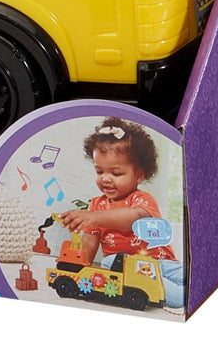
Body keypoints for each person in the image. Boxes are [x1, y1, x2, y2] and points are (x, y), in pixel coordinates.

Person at [59, 117, 185, 308]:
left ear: (139, 175)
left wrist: (94, 218)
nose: (106, 179)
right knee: (109, 263)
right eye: (100, 171)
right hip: (130, 272)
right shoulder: (95, 205)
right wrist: (78, 269)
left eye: (116, 173)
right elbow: (89, 243)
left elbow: (136, 219)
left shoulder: (142, 199)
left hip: (162, 263)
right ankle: (177, 292)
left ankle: (189, 287)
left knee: (190, 274)